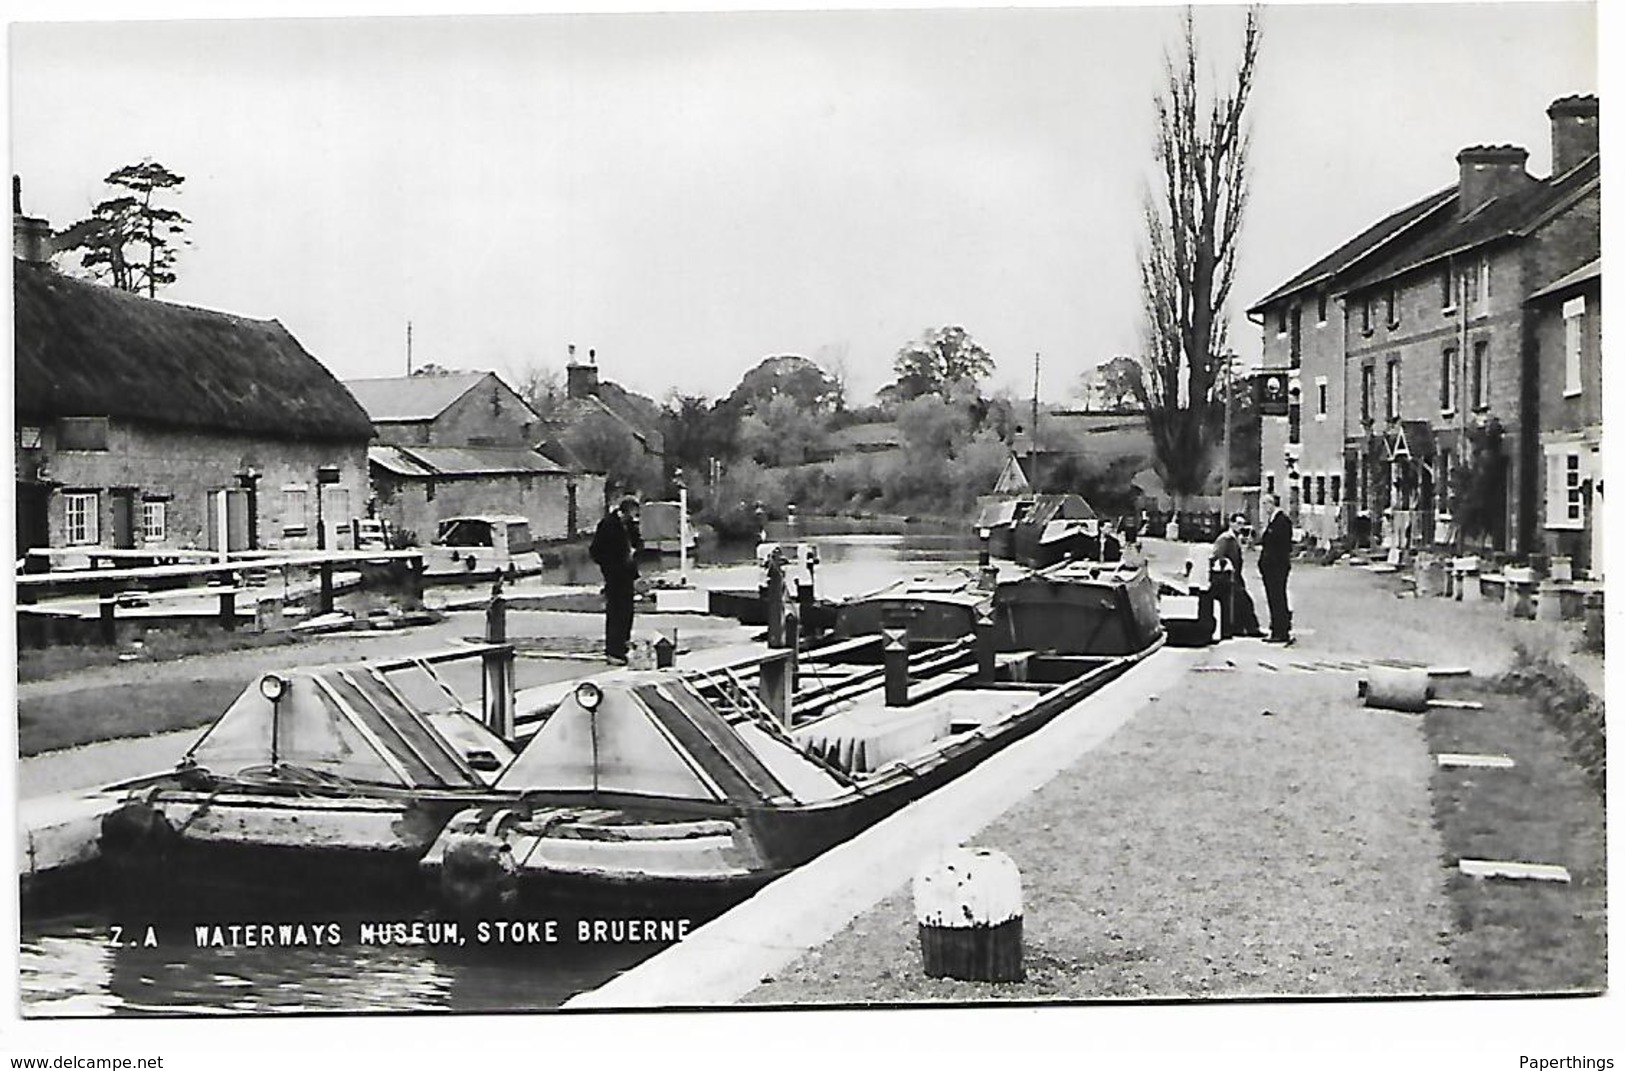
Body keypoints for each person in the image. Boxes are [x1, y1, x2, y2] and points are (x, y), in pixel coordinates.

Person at [590, 495, 643, 665]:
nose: (635, 516)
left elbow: (637, 545)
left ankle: (624, 646)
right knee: (615, 613)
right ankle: (613, 650)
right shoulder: (608, 525)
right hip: (614, 575)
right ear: (626, 510)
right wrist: (609, 567)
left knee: (627, 613)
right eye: (634, 512)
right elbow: (596, 551)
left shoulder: (629, 525)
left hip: (627, 575)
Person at [1210, 512, 1262, 638]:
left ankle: (1242, 628)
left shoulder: (1235, 538)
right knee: (1244, 601)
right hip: (1228, 576)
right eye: (1238, 523)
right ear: (1231, 524)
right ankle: (1250, 629)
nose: (1240, 526)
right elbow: (1216, 555)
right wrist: (1225, 565)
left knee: (1241, 602)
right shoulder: (1225, 538)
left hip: (1236, 575)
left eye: (1242, 524)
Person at [1257, 493, 1293, 644]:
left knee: (1277, 597)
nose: (1264, 508)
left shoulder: (1281, 521)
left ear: (1273, 504)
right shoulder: (1273, 521)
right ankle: (1277, 628)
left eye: (1266, 504)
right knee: (1274, 597)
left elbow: (1280, 546)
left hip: (1277, 567)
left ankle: (1280, 630)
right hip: (1271, 567)